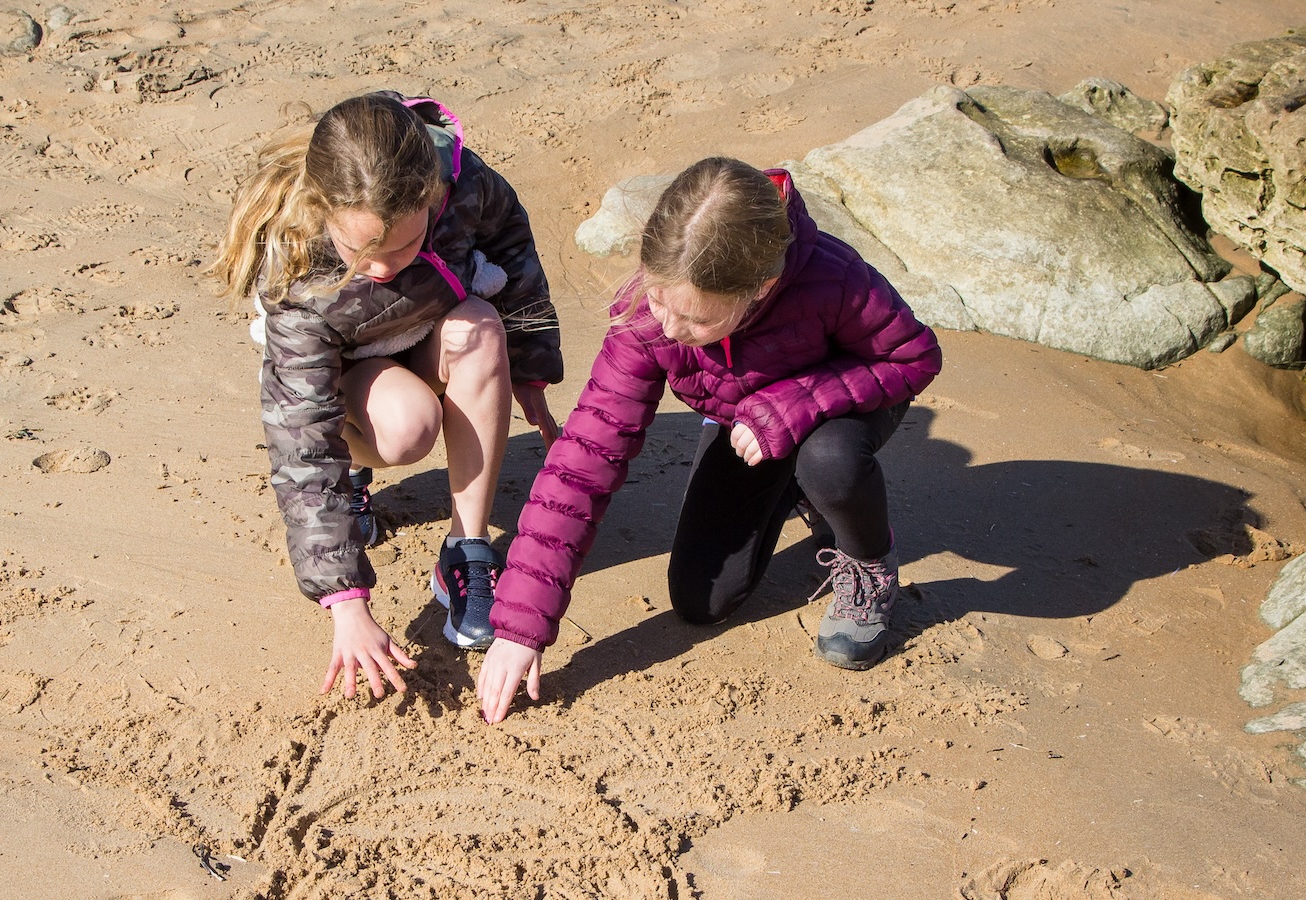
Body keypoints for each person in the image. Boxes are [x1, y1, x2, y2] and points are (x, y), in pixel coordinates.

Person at [477, 157, 942, 723]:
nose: (670, 330)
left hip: (842, 409)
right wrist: (521, 625)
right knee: (703, 600)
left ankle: (870, 562)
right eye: (657, 300)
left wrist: (793, 405)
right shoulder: (649, 319)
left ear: (759, 289)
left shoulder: (834, 279)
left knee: (829, 460)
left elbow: (912, 356)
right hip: (743, 423)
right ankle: (791, 486)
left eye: (696, 321)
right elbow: (583, 462)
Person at [207, 92, 563, 700]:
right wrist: (345, 602)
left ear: (432, 195)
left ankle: (466, 552)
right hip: (345, 383)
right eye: (361, 251)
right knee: (407, 428)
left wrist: (528, 370)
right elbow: (302, 439)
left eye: (403, 247)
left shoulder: (464, 183)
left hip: (429, 334)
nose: (381, 269)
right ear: (325, 213)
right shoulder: (298, 272)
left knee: (480, 328)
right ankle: (357, 481)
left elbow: (513, 250)